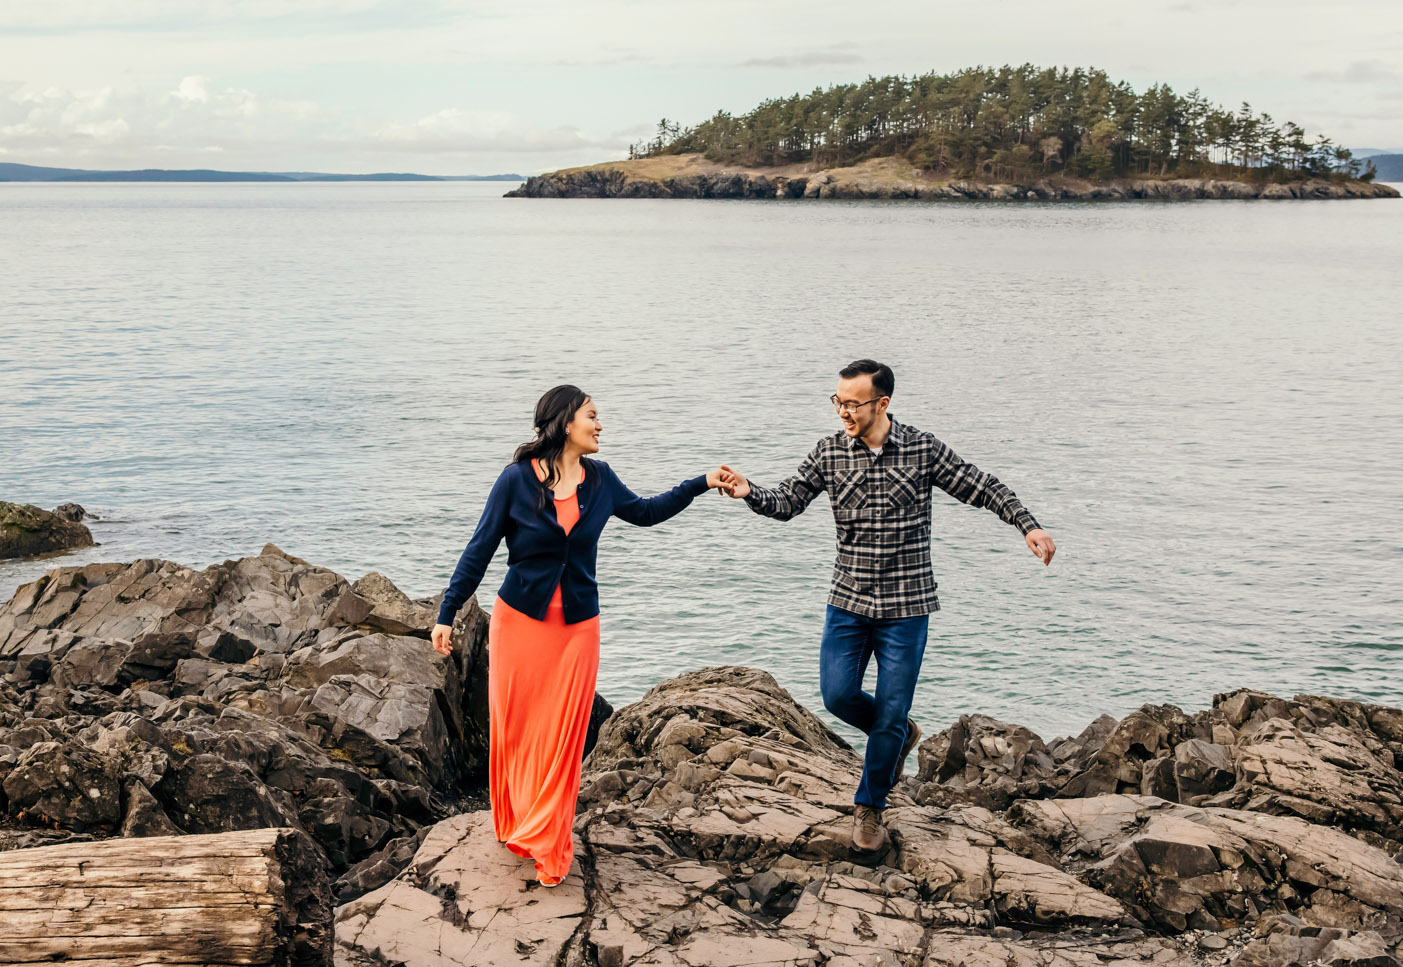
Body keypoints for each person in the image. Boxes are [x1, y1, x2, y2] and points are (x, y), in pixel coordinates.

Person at [716, 359, 1055, 855]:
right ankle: (897, 736)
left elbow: (983, 486)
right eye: (837, 401)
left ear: (882, 404)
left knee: (892, 709)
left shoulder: (922, 449)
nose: (843, 412)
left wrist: (1028, 525)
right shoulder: (830, 453)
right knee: (837, 696)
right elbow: (788, 501)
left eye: (852, 403)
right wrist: (750, 493)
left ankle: (870, 808)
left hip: (907, 605)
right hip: (848, 601)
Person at [433, 385, 726, 886]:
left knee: (563, 737)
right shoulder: (515, 481)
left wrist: (702, 481)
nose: (600, 425)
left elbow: (648, 511)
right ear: (566, 421)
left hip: (577, 629)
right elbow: (478, 548)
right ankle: (517, 820)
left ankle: (549, 842)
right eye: (593, 415)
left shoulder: (600, 479)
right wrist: (446, 612)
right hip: (519, 622)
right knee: (520, 731)